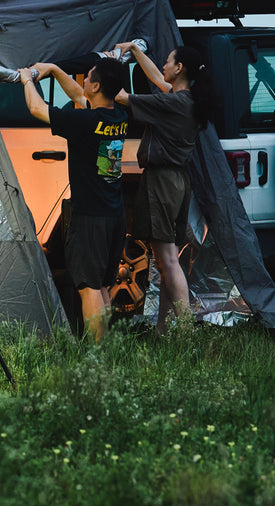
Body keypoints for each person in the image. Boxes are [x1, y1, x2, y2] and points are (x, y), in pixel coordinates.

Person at [18, 56, 129, 340]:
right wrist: (54, 70)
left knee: (88, 286)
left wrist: (27, 79)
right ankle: (106, 351)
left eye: (88, 76)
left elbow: (36, 107)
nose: (83, 81)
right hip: (113, 213)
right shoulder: (116, 116)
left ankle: (96, 356)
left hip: (89, 216)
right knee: (101, 285)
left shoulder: (84, 121)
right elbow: (79, 95)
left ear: (97, 85)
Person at [112, 41, 217, 334]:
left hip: (162, 182)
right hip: (178, 182)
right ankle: (162, 329)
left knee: (167, 258)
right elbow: (158, 80)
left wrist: (112, 63)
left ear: (179, 68)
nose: (164, 67)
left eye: (168, 62)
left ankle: (184, 329)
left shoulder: (172, 104)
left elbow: (120, 96)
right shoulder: (186, 99)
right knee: (167, 259)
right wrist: (134, 50)